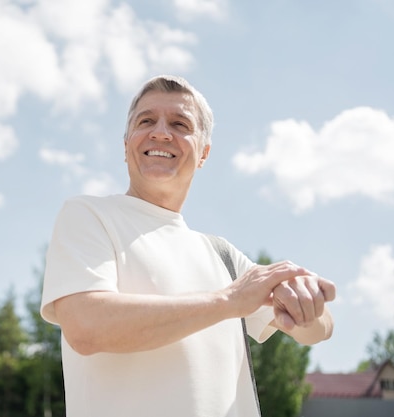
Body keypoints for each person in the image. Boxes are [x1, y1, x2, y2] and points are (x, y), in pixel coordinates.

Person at [40, 75, 335, 417]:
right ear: (125, 145)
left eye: (180, 124)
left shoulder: (222, 255)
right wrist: (228, 301)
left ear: (204, 153)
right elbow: (86, 327)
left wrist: (305, 302)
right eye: (146, 121)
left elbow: (318, 331)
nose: (161, 132)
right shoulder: (88, 215)